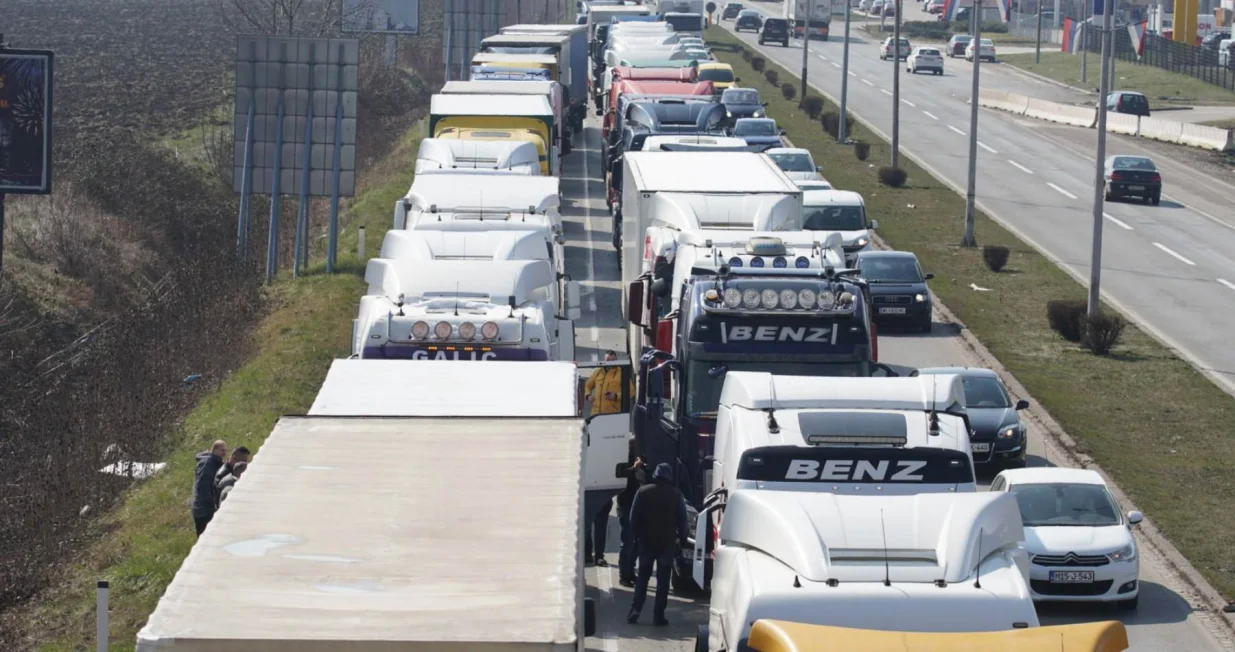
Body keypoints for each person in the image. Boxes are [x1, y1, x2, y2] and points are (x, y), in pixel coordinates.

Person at [627, 463, 689, 626]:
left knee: (642, 577)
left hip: (646, 541)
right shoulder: (676, 495)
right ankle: (658, 615)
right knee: (663, 581)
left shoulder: (643, 492)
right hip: (667, 543)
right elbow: (683, 520)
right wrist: (683, 538)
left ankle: (635, 610)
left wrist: (636, 536)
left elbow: (633, 517)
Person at [616, 436, 647, 587]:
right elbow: (620, 473)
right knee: (627, 541)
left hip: (636, 502)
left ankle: (630, 571)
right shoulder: (622, 459)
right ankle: (624, 574)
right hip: (625, 502)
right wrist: (634, 468)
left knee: (636, 541)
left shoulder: (638, 457)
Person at [192, 440, 227, 537]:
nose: (224, 453)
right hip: (204, 509)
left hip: (203, 508)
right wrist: (213, 506)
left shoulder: (213, 462)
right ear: (214, 449)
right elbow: (204, 487)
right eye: (222, 450)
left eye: (225, 451)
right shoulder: (208, 464)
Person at [584, 351, 632, 415]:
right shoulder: (598, 372)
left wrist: (616, 396)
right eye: (608, 360)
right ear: (604, 360)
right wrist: (588, 395)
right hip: (596, 415)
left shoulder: (621, 373)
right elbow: (588, 385)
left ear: (616, 360)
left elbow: (631, 392)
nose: (610, 362)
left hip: (612, 414)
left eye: (613, 360)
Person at [583, 497, 613, 567]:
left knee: (600, 528)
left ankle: (598, 556)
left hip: (603, 500)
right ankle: (588, 553)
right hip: (588, 498)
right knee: (587, 526)